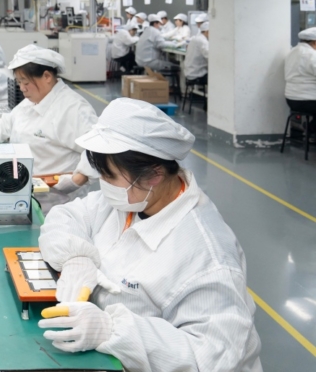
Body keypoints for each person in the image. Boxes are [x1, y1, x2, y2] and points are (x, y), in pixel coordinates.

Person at [36, 98, 262, 371]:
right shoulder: (131, 199)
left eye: (110, 176)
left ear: (155, 174)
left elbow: (212, 358)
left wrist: (112, 330)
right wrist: (76, 258)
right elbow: (65, 216)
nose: (103, 185)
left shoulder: (208, 258)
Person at [0, 45, 98, 193]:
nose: (22, 88)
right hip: (22, 189)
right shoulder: (32, 101)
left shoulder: (73, 108)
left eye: (26, 82)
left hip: (57, 200)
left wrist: (77, 179)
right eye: (19, 82)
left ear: (47, 76)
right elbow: (5, 125)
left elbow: (97, 150)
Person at [284, 27, 316, 118]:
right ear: (315, 42)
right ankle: (312, 127)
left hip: (291, 99)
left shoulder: (292, 52)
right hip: (309, 100)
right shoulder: (312, 55)